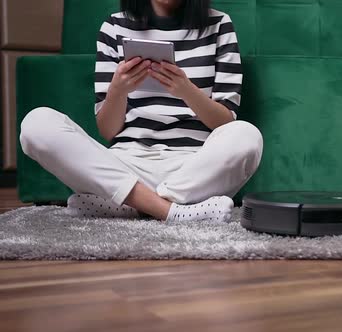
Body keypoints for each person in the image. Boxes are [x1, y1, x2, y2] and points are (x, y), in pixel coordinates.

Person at [19, 0, 263, 223]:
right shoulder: (114, 26)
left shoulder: (220, 24)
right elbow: (107, 131)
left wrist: (186, 91)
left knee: (247, 136)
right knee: (36, 124)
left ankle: (128, 203)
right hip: (127, 162)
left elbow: (224, 121)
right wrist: (118, 90)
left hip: (193, 167)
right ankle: (170, 211)